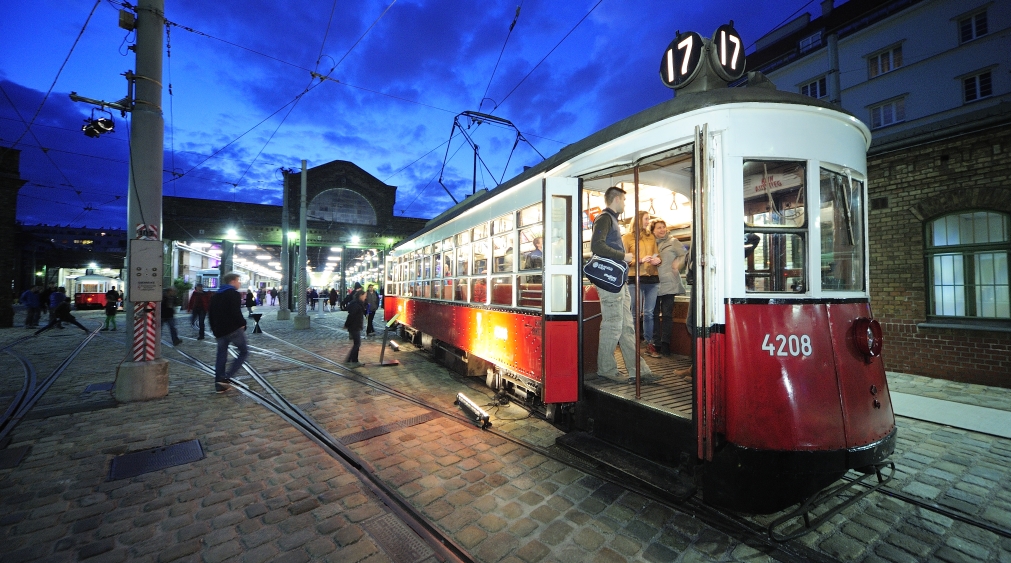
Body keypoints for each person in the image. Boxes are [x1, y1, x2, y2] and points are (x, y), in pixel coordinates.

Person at [590, 186, 659, 383]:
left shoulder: (611, 220)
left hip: (618, 280)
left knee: (627, 326)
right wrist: (623, 256)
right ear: (617, 199)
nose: (625, 204)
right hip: (610, 282)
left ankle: (639, 371)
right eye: (624, 200)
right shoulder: (604, 218)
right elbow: (596, 245)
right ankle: (606, 368)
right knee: (613, 324)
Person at [622, 210, 662, 358]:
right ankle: (633, 343)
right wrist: (639, 260)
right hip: (634, 277)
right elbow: (624, 259)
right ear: (639, 220)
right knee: (634, 313)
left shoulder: (650, 236)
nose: (648, 222)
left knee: (650, 313)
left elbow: (656, 254)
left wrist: (658, 260)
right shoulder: (627, 238)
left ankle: (649, 343)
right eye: (646, 219)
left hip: (652, 277)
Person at [652, 220, 688, 359]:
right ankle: (655, 344)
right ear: (653, 230)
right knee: (653, 315)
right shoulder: (651, 243)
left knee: (667, 315)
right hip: (654, 283)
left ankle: (665, 343)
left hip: (669, 283)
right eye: (658, 228)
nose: (662, 230)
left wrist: (677, 263)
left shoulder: (673, 241)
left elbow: (684, 254)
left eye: (663, 227)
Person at [209, 272, 248, 393]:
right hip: (233, 329)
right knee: (243, 352)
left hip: (219, 331)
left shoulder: (215, 295)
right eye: (238, 280)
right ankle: (226, 377)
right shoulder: (233, 293)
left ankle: (219, 385)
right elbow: (235, 311)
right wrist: (243, 323)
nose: (239, 283)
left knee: (221, 356)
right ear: (232, 281)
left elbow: (210, 314)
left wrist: (214, 330)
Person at [344, 289, 367, 365]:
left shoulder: (358, 303)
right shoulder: (356, 304)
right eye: (364, 296)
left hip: (355, 326)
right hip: (354, 326)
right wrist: (347, 325)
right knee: (357, 343)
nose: (365, 298)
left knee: (357, 343)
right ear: (360, 296)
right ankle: (352, 360)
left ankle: (352, 360)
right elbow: (351, 316)